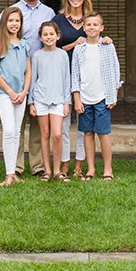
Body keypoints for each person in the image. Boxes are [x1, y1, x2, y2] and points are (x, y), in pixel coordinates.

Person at [2, 0, 56, 176]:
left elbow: (54, 41)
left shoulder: (49, 13)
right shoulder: (11, 12)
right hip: (16, 74)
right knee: (15, 124)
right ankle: (15, 166)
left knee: (37, 121)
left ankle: (37, 166)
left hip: (41, 74)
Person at [70, 12, 121, 180]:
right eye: (88, 25)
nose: (92, 27)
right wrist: (77, 98)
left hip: (103, 97)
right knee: (87, 133)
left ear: (101, 28)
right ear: (84, 28)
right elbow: (75, 75)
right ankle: (90, 169)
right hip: (85, 98)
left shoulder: (108, 46)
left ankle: (108, 169)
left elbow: (115, 70)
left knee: (103, 133)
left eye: (95, 24)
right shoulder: (79, 49)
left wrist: (114, 94)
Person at [0, 6, 31, 187]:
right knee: (8, 131)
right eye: (11, 20)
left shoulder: (24, 45)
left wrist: (24, 91)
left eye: (17, 21)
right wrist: (11, 92)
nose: (14, 24)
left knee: (17, 131)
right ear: (4, 23)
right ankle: (8, 173)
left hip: (21, 94)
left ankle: (13, 172)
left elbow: (28, 71)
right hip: (5, 93)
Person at [29, 20, 72, 182]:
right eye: (45, 34)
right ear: (40, 37)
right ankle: (47, 170)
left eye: (51, 34)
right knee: (44, 134)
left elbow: (66, 79)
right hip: (40, 99)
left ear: (58, 36)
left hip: (58, 100)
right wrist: (31, 102)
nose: (49, 37)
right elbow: (33, 80)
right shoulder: (37, 56)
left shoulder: (62, 55)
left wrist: (67, 102)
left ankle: (57, 170)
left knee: (57, 134)